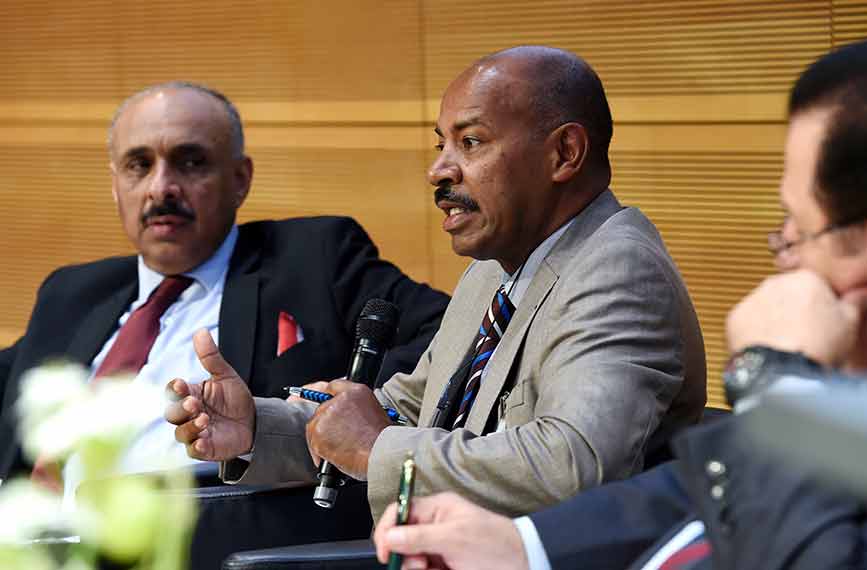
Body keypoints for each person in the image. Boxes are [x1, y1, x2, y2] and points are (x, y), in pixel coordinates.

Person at [372, 39, 867, 570]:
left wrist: (780, 385)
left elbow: (812, 548)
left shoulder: (619, 266)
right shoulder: (490, 271)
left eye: (799, 232)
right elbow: (688, 492)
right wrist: (525, 548)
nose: (786, 267)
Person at [166, 45, 707, 525]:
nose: (439, 171)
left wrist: (378, 449)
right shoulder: (496, 271)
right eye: (440, 145)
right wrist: (257, 427)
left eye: (471, 142)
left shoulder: (617, 271)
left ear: (564, 154)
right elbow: (408, 410)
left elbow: (573, 465)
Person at [0, 82, 450, 491]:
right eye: (139, 165)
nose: (162, 188)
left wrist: (339, 406)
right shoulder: (74, 291)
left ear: (240, 179)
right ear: (116, 186)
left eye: (190, 162)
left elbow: (449, 337)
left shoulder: (312, 258)